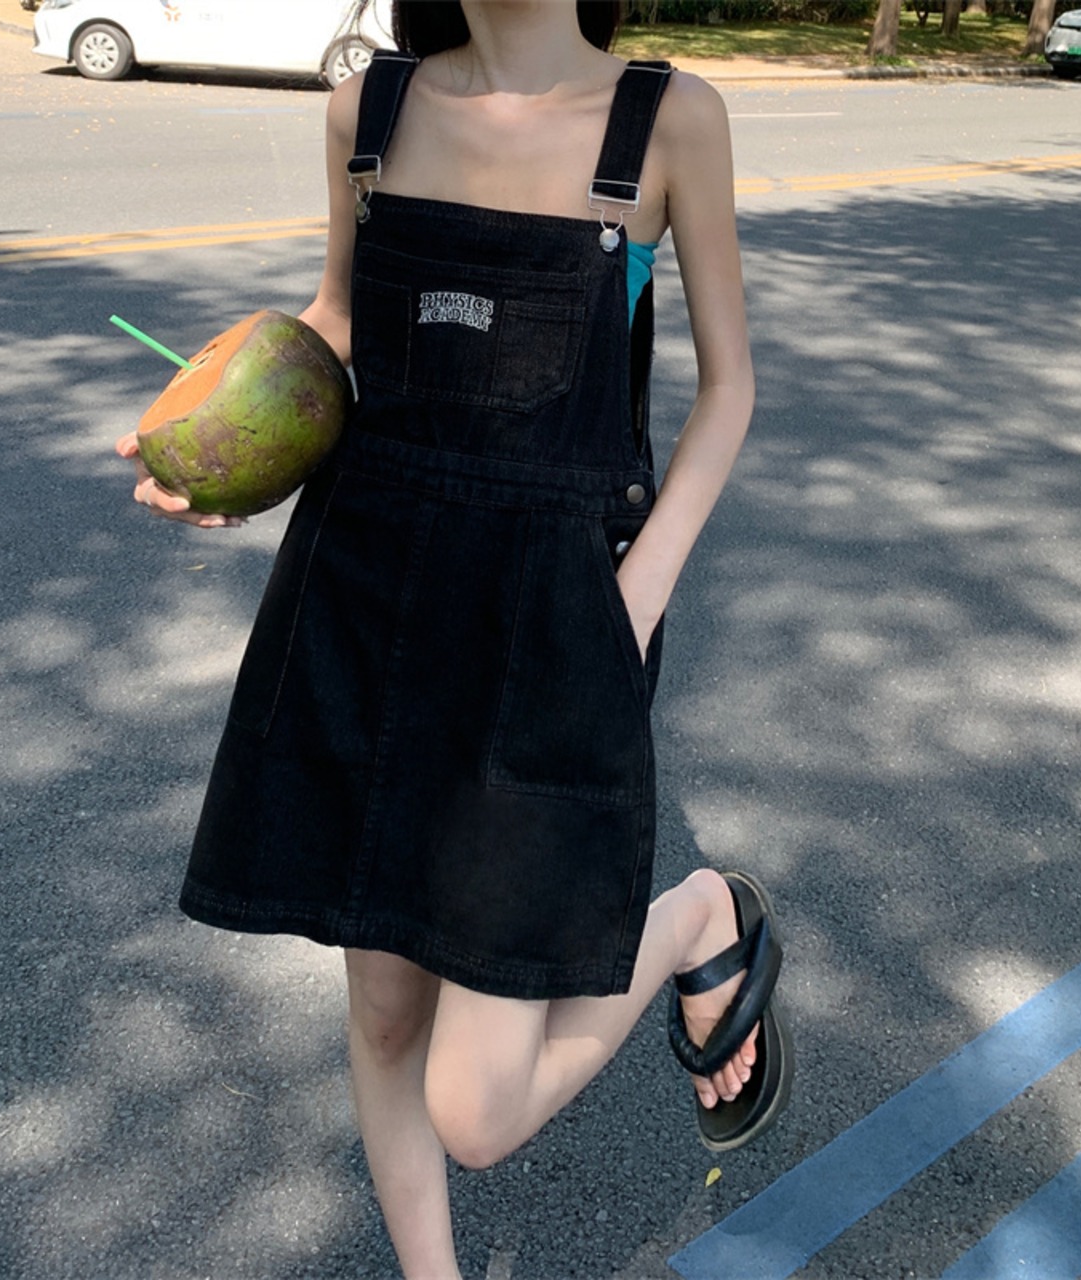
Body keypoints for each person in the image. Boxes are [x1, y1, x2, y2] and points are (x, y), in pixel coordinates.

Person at [116, 2, 790, 1273]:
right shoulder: (364, 109)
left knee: (476, 1109)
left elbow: (729, 386)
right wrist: (223, 443)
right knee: (382, 1011)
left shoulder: (667, 121)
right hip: (364, 591)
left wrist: (632, 598)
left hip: (556, 614)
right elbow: (337, 323)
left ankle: (697, 915)